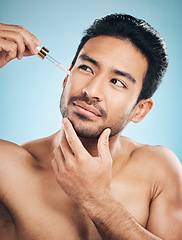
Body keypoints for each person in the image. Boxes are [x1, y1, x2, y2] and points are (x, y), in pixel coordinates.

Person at [0, 13, 181, 240]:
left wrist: (97, 201)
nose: (92, 91)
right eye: (86, 68)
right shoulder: (8, 166)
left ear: (140, 110)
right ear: (66, 79)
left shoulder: (159, 170)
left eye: (117, 82)